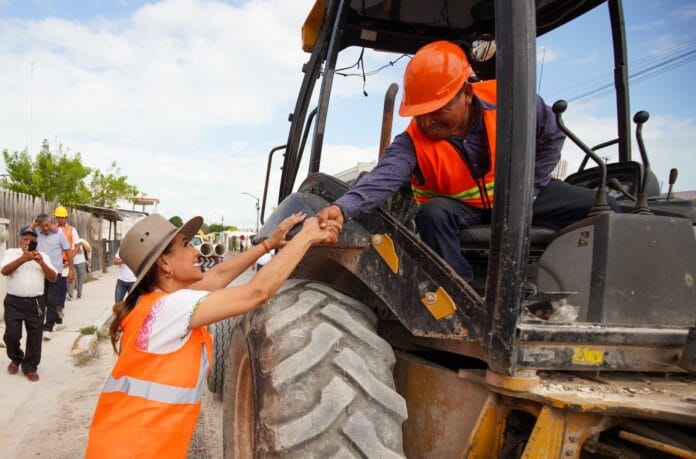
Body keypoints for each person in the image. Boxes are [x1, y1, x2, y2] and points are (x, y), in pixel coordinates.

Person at [317, 40, 617, 283]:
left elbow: (551, 134)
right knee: (432, 214)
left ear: (468, 94)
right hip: (463, 211)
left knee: (606, 209)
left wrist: (530, 189)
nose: (428, 121)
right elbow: (381, 179)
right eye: (420, 112)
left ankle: (579, 287)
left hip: (523, 197)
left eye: (438, 108)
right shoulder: (411, 142)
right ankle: (460, 293)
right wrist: (342, 208)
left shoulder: (512, 102)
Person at [85, 212, 336, 458]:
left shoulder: (154, 303)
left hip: (120, 444)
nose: (197, 251)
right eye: (185, 245)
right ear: (164, 263)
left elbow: (218, 275)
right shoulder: (169, 309)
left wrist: (269, 244)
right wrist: (307, 236)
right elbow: (256, 293)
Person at [2, 226, 58, 382]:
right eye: (25, 239)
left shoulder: (43, 256)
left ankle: (30, 366)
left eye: (32, 240)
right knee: (12, 335)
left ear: (36, 242)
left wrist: (41, 263)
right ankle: (16, 357)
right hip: (14, 301)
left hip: (36, 303)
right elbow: (4, 271)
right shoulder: (11, 253)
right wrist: (23, 259)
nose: (28, 242)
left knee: (35, 336)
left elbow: (53, 278)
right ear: (20, 239)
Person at [34, 213, 72, 340]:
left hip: (55, 273)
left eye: (47, 225)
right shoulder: (37, 234)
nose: (45, 228)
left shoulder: (59, 235)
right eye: (42, 226)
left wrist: (71, 271)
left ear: (51, 223)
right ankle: (56, 318)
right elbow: (24, 233)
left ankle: (48, 327)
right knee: (42, 299)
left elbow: (68, 252)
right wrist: (33, 224)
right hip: (40, 272)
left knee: (51, 300)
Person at [54, 206, 78, 306]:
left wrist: (69, 260)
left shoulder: (72, 230)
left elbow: (77, 247)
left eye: (62, 217)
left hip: (65, 262)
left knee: (63, 285)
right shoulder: (52, 229)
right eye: (59, 217)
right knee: (53, 285)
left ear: (66, 218)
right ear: (56, 218)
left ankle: (60, 306)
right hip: (54, 262)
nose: (60, 219)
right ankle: (53, 305)